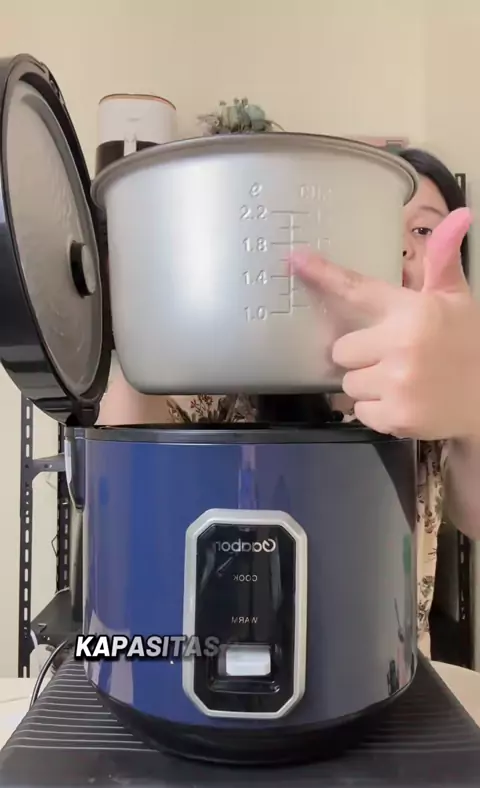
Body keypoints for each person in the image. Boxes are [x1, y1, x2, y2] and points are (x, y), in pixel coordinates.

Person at [98, 147, 480, 656]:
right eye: (371, 222)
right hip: (208, 660)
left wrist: (472, 410)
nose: (399, 246)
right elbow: (122, 491)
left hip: (393, 672)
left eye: (424, 229)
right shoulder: (223, 377)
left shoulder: (443, 401)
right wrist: (135, 305)